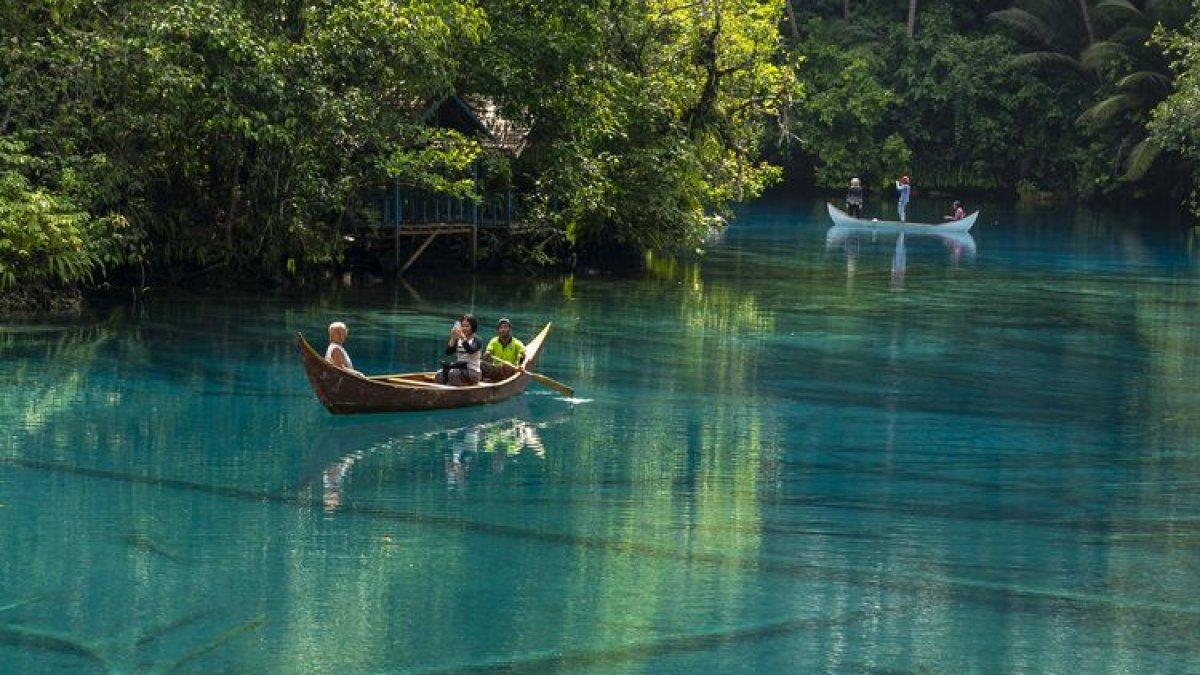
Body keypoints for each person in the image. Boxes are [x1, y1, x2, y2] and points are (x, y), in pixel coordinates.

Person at [436, 314, 483, 386]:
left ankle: (458, 392)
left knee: (454, 374)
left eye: (467, 326)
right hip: (459, 368)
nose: (464, 328)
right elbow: (448, 352)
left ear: (472, 327)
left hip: (473, 372)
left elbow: (470, 350)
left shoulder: (477, 340)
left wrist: (463, 338)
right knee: (439, 374)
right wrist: (453, 338)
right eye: (462, 326)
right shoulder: (458, 340)